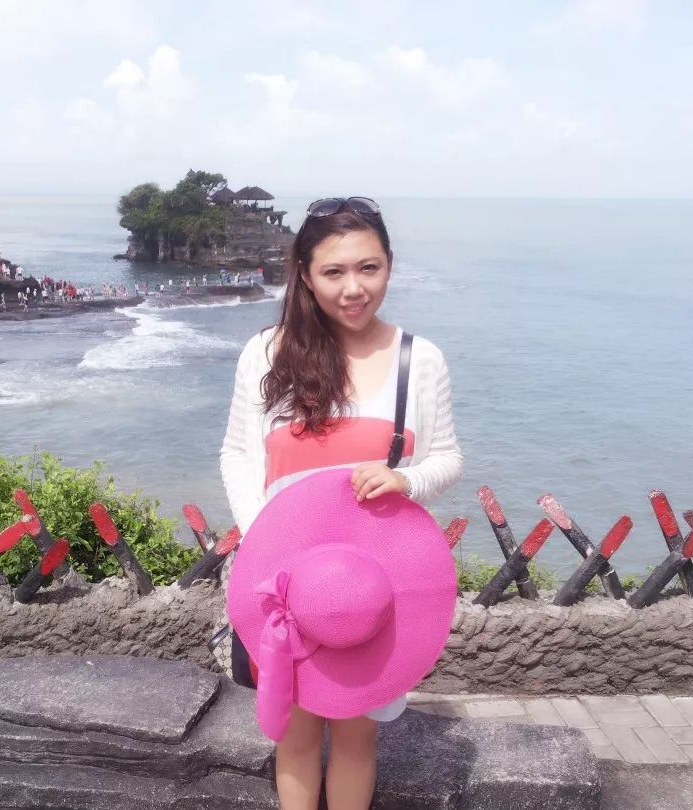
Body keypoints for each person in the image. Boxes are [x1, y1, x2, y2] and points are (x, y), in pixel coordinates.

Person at [219, 196, 462, 810]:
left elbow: (447, 458)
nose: (354, 289)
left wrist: (407, 482)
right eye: (334, 272)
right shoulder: (267, 353)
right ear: (305, 275)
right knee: (295, 737)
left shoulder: (418, 360)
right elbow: (238, 454)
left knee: (357, 740)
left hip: (370, 589)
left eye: (369, 268)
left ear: (389, 265)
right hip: (284, 588)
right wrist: (264, 537)